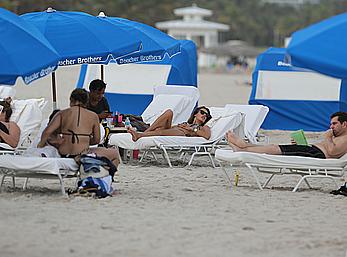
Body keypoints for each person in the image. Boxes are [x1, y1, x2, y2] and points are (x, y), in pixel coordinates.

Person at [37, 88, 120, 168]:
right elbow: (96, 140)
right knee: (115, 154)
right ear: (86, 102)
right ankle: (105, 178)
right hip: (82, 154)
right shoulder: (93, 116)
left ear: (71, 100)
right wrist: (83, 140)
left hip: (64, 154)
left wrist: (40, 145)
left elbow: (47, 132)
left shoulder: (61, 114)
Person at [226, 111, 347, 159]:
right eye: (331, 124)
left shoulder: (345, 139)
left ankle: (244, 147)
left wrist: (327, 137)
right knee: (274, 147)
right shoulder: (337, 136)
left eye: (334, 124)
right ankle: (244, 147)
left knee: (275, 149)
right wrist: (302, 144)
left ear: (344, 124)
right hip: (311, 150)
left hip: (316, 153)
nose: (331, 127)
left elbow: (332, 151)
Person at [128, 106, 212, 142]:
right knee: (169, 112)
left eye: (206, 115)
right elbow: (172, 128)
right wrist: (179, 125)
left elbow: (207, 136)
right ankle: (145, 132)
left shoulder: (204, 127)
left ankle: (140, 135)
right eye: (202, 112)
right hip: (175, 129)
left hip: (183, 133)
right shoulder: (187, 123)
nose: (204, 115)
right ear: (195, 114)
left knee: (160, 132)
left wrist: (192, 129)